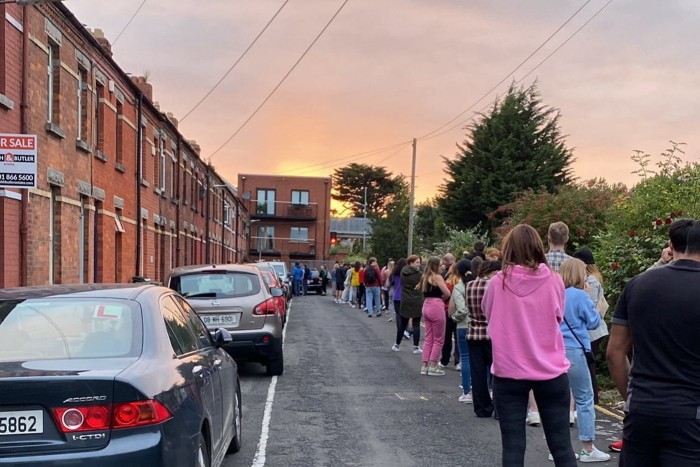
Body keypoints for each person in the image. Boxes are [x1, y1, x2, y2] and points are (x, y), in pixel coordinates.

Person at [482, 224, 576, 467]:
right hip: (551, 371)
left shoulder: (497, 283)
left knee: (513, 446)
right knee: (562, 446)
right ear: (538, 246)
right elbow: (558, 315)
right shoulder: (554, 280)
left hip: (509, 370)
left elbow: (488, 314)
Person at [607, 219, 700, 466]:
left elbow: (615, 352)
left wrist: (632, 396)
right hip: (690, 415)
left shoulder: (639, 284)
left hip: (641, 409)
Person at [558, 258, 610, 463]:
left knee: (559, 400)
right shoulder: (580, 295)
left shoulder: (555, 293)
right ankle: (588, 448)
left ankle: (558, 449)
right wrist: (590, 298)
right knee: (585, 398)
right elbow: (593, 322)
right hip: (575, 350)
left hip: (556, 350)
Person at [572, 246, 608, 405]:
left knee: (588, 367)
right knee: (588, 366)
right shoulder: (592, 279)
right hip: (595, 331)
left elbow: (590, 310)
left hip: (593, 331)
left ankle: (593, 401)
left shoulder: (591, 282)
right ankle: (592, 400)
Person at [466, 260, 501, 417]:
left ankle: (481, 407)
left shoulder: (470, 285)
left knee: (477, 372)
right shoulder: (493, 285)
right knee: (497, 371)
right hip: (491, 333)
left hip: (473, 331)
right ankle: (499, 407)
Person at [418, 256, 451, 376]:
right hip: (436, 305)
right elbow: (447, 292)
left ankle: (424, 365)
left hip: (426, 305)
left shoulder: (425, 276)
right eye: (441, 264)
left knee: (428, 338)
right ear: (436, 265)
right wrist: (444, 297)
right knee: (438, 339)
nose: (442, 266)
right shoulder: (437, 277)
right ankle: (433, 366)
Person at [449, 259, 474, 402]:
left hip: (463, 325)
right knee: (479, 360)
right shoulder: (477, 283)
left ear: (458, 272)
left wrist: (454, 317)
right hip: (478, 325)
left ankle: (467, 391)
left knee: (465, 358)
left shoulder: (459, 287)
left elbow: (462, 309)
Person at [396, 255, 423, 354]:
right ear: (411, 263)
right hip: (417, 299)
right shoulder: (419, 274)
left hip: (406, 299)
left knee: (402, 324)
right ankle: (416, 347)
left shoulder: (403, 272)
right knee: (416, 324)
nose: (419, 264)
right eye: (417, 262)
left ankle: (397, 344)